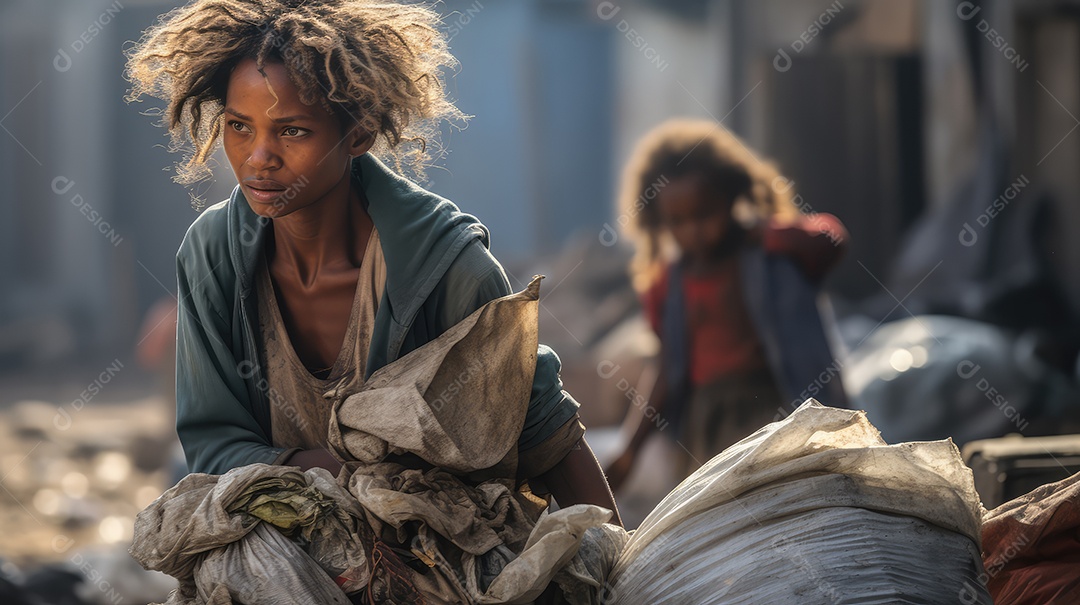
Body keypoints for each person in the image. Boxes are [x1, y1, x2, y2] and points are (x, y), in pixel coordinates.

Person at [125, 0, 619, 524]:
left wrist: (620, 569)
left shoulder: (446, 269)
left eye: (292, 130)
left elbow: (545, 431)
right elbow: (213, 445)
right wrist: (368, 475)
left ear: (357, 133)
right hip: (277, 532)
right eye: (239, 126)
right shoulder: (211, 258)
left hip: (438, 545)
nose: (258, 157)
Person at [606, 119, 849, 490]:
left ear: (732, 199)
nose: (693, 231)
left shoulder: (765, 256)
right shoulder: (668, 286)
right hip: (706, 421)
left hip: (774, 407)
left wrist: (766, 232)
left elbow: (831, 240)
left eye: (704, 215)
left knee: (780, 503)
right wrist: (630, 449)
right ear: (659, 222)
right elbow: (666, 366)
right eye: (678, 221)